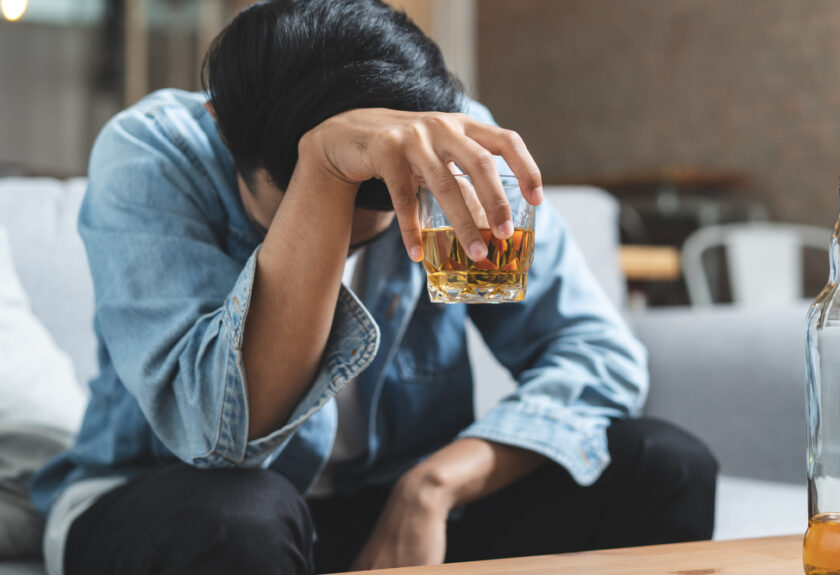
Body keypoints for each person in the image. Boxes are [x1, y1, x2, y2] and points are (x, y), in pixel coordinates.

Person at [31, 1, 718, 573]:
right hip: (171, 498)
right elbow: (223, 440)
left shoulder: (446, 145)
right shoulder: (156, 151)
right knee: (242, 516)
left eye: (384, 209)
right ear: (221, 128)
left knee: (666, 463)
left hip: (389, 499)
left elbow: (598, 353)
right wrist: (323, 171)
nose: (368, 233)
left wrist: (434, 485)